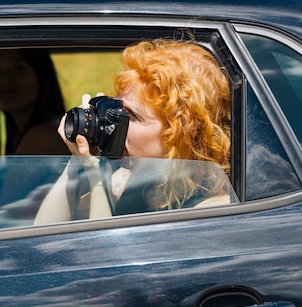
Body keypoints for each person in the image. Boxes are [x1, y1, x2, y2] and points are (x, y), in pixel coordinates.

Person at [34, 38, 232, 225]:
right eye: (118, 111)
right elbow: (43, 231)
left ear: (186, 131)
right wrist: (78, 160)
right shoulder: (131, 179)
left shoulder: (212, 209)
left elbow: (106, 253)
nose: (117, 124)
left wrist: (97, 180)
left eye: (132, 116)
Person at [0, 48, 69, 155]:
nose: (5, 79)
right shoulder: (20, 135)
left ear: (43, 78)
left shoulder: (44, 137)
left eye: (18, 68)